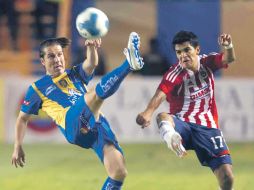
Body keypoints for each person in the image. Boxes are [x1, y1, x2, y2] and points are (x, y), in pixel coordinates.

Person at [11, 32, 144, 190]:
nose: (57, 59)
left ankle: (130, 63)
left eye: (60, 54)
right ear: (42, 61)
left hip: (96, 126)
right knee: (94, 95)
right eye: (51, 56)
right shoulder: (37, 88)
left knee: (118, 172)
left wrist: (92, 48)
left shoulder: (73, 74)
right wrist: (17, 146)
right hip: (72, 124)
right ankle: (129, 64)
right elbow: (22, 119)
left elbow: (91, 63)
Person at [136, 30, 236, 190]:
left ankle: (172, 137)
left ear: (197, 50)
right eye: (179, 52)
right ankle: (171, 138)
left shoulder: (208, 62)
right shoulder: (174, 73)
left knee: (227, 178)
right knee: (163, 116)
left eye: (187, 50)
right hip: (183, 124)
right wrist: (147, 112)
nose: (183, 55)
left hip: (208, 128)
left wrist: (228, 46)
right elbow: (160, 94)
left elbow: (229, 58)